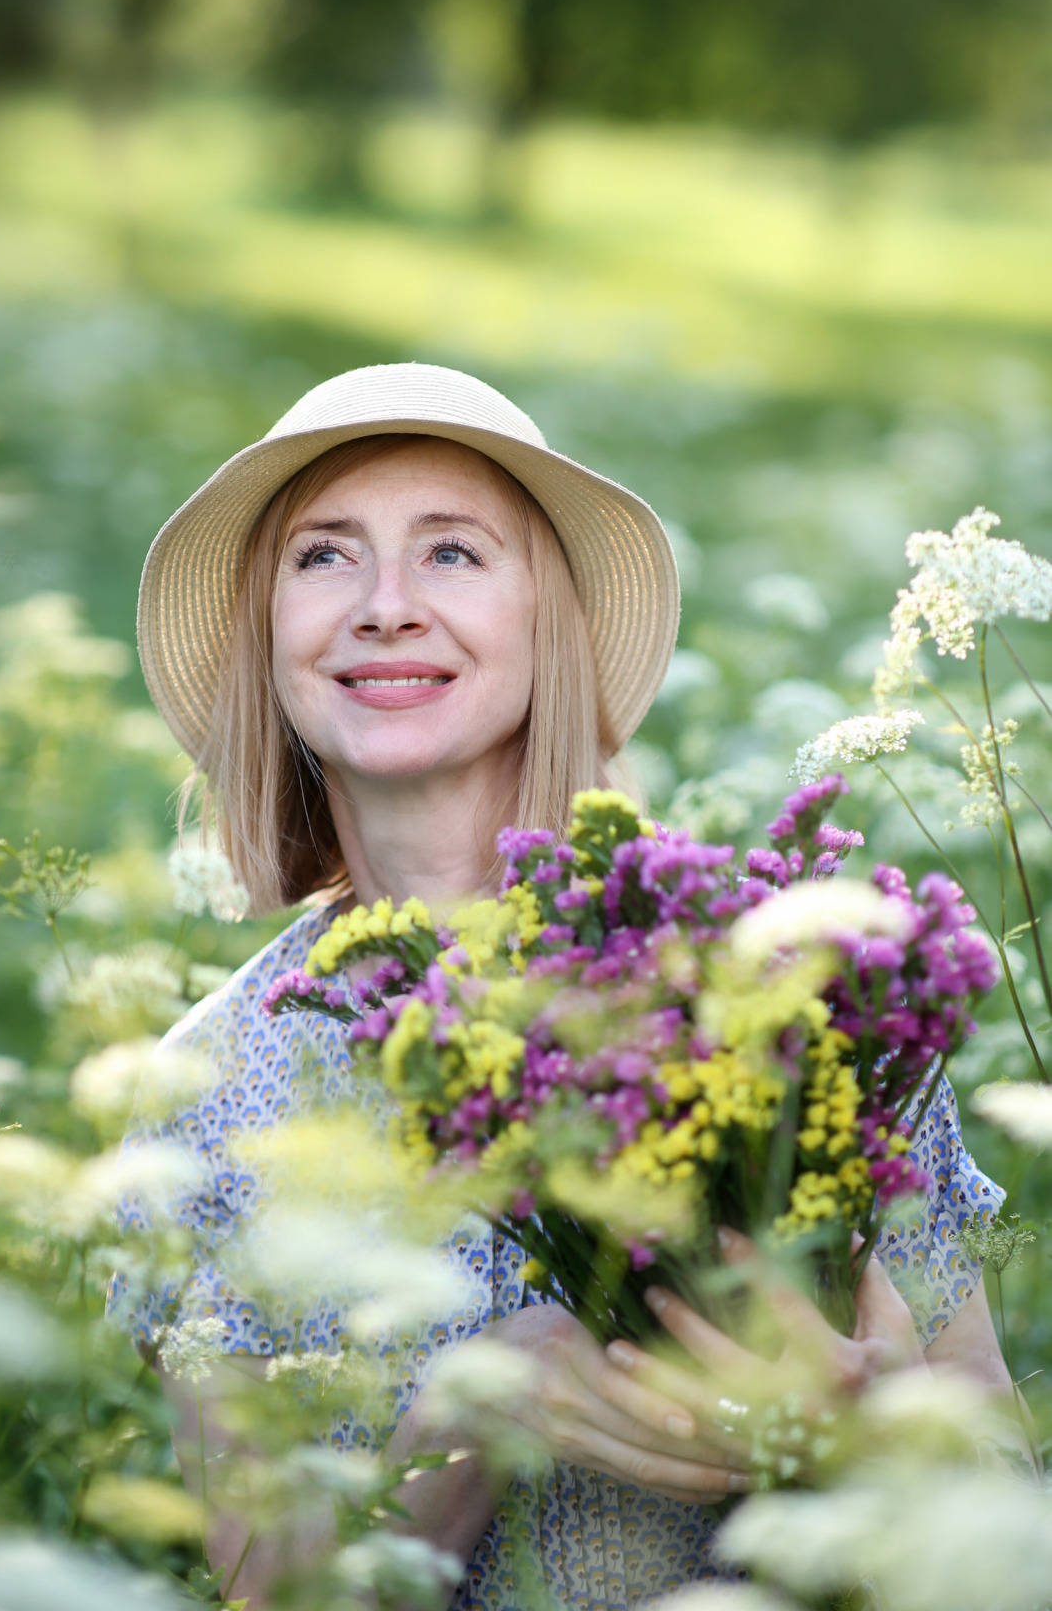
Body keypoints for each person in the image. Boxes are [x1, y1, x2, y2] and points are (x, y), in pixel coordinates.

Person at [116, 362, 1015, 1610]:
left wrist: (859, 1423)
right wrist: (479, 1408)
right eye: (324, 558)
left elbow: (1001, 1486)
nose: (384, 608)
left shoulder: (787, 984)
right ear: (270, 640)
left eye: (453, 554)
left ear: (551, 619)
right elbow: (273, 1590)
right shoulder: (211, 1088)